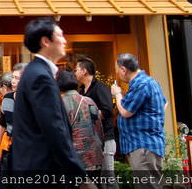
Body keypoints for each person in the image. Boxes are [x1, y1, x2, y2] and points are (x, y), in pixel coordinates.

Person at [9, 17, 85, 185]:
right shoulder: (40, 76)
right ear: (45, 41)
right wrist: (79, 175)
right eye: (60, 35)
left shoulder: (36, 72)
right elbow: (54, 129)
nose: (65, 40)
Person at [111, 53, 166, 189]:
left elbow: (125, 111)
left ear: (124, 69)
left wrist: (117, 94)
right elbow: (164, 104)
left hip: (143, 145)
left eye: (118, 70)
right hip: (145, 144)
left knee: (147, 186)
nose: (118, 74)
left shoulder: (141, 84)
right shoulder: (150, 82)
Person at [74, 57, 118, 187]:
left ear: (84, 71)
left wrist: (87, 118)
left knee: (108, 176)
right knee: (99, 179)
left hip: (105, 139)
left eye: (76, 70)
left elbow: (108, 109)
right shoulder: (82, 91)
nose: (74, 73)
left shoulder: (100, 87)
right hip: (92, 141)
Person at [57, 70, 104, 174]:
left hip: (76, 159)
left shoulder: (60, 104)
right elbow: (99, 129)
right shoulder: (89, 101)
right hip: (95, 157)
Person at [0, 63, 27, 188]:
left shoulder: (32, 100)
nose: (13, 81)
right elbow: (2, 125)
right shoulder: (7, 99)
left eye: (17, 78)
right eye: (13, 77)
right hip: (13, 147)